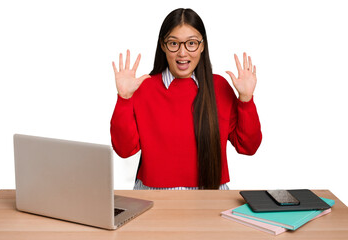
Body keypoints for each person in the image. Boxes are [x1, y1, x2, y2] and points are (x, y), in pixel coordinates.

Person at [110, 8, 262, 190]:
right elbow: (124, 150)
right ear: (163, 45)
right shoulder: (144, 87)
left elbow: (248, 147)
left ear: (202, 45)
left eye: (191, 43)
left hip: (210, 195)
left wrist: (246, 100)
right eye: (174, 44)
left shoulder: (219, 86)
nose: (182, 53)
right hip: (154, 196)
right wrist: (124, 98)